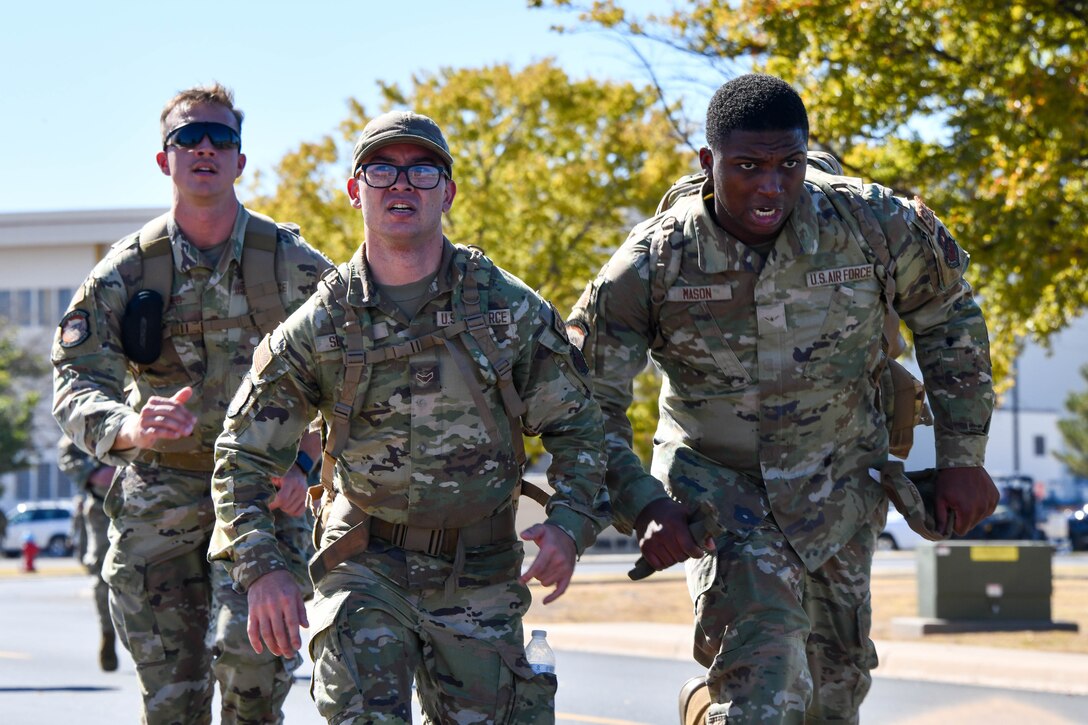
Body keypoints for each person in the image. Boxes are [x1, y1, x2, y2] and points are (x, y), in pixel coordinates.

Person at [567, 73, 999, 724]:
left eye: (788, 165)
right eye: (748, 167)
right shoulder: (655, 260)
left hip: (841, 486)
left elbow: (949, 317)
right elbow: (585, 397)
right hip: (719, 496)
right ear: (708, 163)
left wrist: (965, 454)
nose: (770, 186)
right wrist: (642, 503)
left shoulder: (872, 222)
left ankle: (710, 712)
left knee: (833, 693)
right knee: (768, 691)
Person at [209, 110, 610, 724]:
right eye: (381, 171)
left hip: (480, 568)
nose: (402, 185)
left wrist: (570, 522)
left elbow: (579, 426)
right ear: (354, 191)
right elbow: (241, 452)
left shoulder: (505, 308)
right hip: (363, 562)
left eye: (422, 171)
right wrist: (263, 569)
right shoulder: (322, 324)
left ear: (447, 192)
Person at [51, 83, 332, 725]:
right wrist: (129, 427)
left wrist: (309, 465)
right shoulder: (126, 272)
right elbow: (74, 380)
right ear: (164, 159)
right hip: (159, 497)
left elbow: (355, 379)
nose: (205, 147)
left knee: (252, 670)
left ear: (239, 160)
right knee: (172, 702)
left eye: (221, 138)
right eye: (188, 138)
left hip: (262, 498)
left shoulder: (292, 266)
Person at [57, 435, 119, 671]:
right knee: (102, 574)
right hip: (103, 505)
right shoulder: (105, 398)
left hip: (160, 502)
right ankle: (107, 632)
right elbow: (67, 450)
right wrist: (90, 475)